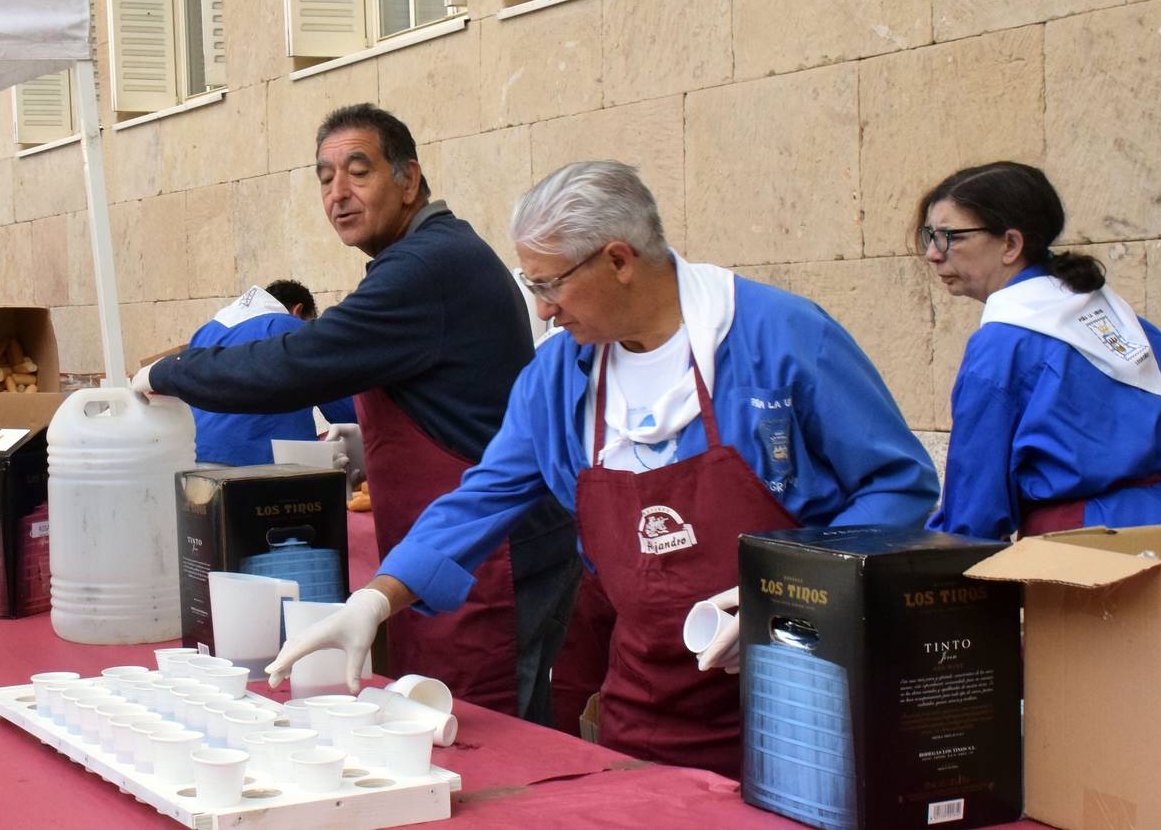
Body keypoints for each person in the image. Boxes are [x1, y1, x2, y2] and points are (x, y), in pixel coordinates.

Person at [266, 161, 940, 777]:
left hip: (801, 696)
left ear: (619, 259)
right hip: (648, 709)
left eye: (550, 283)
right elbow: (485, 496)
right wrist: (377, 599)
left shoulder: (782, 338)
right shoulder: (560, 376)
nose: (542, 309)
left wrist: (790, 593)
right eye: (531, 284)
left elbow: (898, 486)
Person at [136, 104, 581, 723]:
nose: (338, 194)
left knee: (492, 735)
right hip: (454, 552)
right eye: (324, 178)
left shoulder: (426, 266)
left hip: (489, 552)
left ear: (408, 178)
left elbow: (298, 361)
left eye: (358, 171)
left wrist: (168, 374)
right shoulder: (427, 257)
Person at [919, 162, 1161, 539]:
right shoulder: (1123, 320)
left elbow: (975, 507)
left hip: (1082, 545)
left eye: (950, 237)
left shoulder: (1003, 345)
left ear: (1010, 244)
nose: (933, 254)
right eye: (930, 236)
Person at [188, 280, 356, 466]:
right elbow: (340, 401)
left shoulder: (205, 332)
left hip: (199, 457)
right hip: (265, 464)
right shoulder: (292, 328)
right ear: (298, 311)